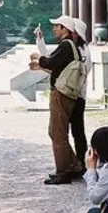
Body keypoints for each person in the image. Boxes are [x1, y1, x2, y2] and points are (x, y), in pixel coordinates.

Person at [29, 15, 83, 184]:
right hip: (68, 93)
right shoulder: (72, 46)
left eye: (57, 26)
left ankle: (63, 171)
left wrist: (39, 58)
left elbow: (51, 62)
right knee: (55, 131)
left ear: (65, 29)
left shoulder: (66, 45)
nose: (54, 29)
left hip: (61, 93)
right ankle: (73, 165)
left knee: (58, 132)